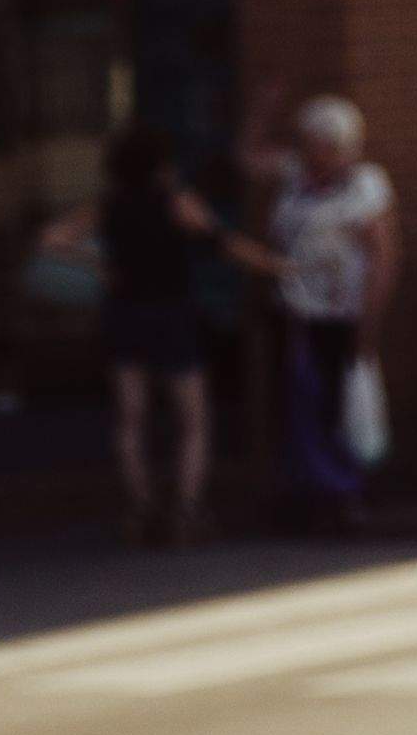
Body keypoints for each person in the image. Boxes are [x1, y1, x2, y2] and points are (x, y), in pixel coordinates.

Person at [67, 118, 277, 544]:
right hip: (170, 313)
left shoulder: (109, 205)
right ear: (162, 164)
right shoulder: (177, 201)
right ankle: (185, 510)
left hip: (125, 313)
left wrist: (101, 267)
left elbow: (53, 239)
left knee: (130, 419)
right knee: (193, 418)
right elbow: (223, 242)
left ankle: (141, 509)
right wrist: (277, 266)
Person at [257, 91, 401, 538]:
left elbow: (383, 258)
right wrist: (266, 103)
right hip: (299, 312)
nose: (311, 151)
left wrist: (369, 324)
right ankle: (314, 493)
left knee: (342, 406)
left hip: (344, 314)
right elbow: (246, 156)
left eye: (320, 143)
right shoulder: (295, 178)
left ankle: (345, 494)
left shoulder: (364, 185)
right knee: (303, 404)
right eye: (307, 142)